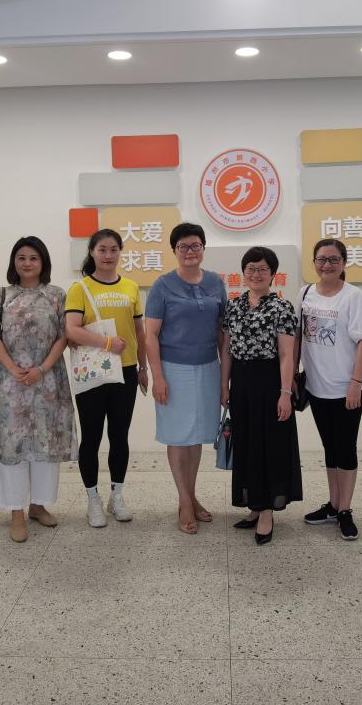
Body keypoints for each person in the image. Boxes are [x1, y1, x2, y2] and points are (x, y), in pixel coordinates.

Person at [0, 236, 76, 542]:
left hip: (47, 381)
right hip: (11, 383)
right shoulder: (2, 295)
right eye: (21, 257)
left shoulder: (57, 295)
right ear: (14, 262)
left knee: (46, 443)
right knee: (13, 446)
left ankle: (38, 505)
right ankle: (16, 513)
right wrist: (12, 367)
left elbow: (64, 335)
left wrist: (42, 369)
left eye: (33, 257)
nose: (27, 263)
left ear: (43, 261)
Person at [145, 222, 227, 536]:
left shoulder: (216, 282)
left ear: (203, 248)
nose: (190, 251)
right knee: (178, 436)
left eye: (195, 245)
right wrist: (158, 377)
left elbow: (222, 333)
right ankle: (183, 501)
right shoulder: (162, 285)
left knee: (196, 437)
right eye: (183, 247)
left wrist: (224, 379)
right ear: (175, 251)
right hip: (173, 370)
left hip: (207, 368)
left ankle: (191, 495)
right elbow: (151, 335)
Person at [65, 228, 148, 528]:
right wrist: (107, 343)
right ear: (92, 252)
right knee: (91, 437)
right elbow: (71, 329)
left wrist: (143, 367)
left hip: (125, 370)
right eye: (102, 250)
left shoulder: (131, 287)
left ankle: (117, 496)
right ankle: (93, 499)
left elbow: (139, 331)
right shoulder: (80, 288)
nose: (108, 255)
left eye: (114, 250)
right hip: (93, 371)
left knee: (119, 436)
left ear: (120, 252)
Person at [220, 247, 301, 545]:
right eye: (251, 269)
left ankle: (267, 510)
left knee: (270, 444)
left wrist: (285, 393)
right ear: (243, 273)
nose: (256, 274)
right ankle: (254, 504)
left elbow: (286, 355)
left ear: (273, 274)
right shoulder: (233, 306)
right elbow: (226, 350)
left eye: (262, 269)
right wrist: (224, 386)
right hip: (241, 382)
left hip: (270, 381)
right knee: (246, 443)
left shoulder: (281, 307)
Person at [299, 238, 362, 541]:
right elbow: (298, 337)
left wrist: (356, 383)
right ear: (314, 263)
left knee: (346, 448)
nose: (327, 265)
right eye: (322, 259)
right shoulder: (305, 293)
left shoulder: (353, 296)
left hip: (347, 388)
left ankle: (345, 509)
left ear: (343, 263)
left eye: (333, 259)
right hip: (317, 387)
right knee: (330, 447)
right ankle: (333, 504)